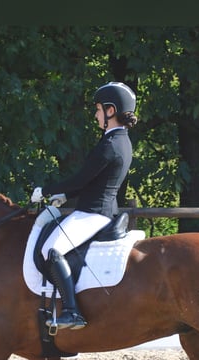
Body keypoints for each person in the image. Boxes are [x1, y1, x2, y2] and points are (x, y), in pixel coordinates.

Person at [31, 81, 138, 330]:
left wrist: (45, 191)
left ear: (111, 110)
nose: (96, 114)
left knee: (51, 250)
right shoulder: (120, 140)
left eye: (99, 109)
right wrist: (63, 197)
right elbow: (93, 181)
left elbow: (81, 179)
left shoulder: (110, 144)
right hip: (101, 208)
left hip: (94, 212)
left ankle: (71, 311)